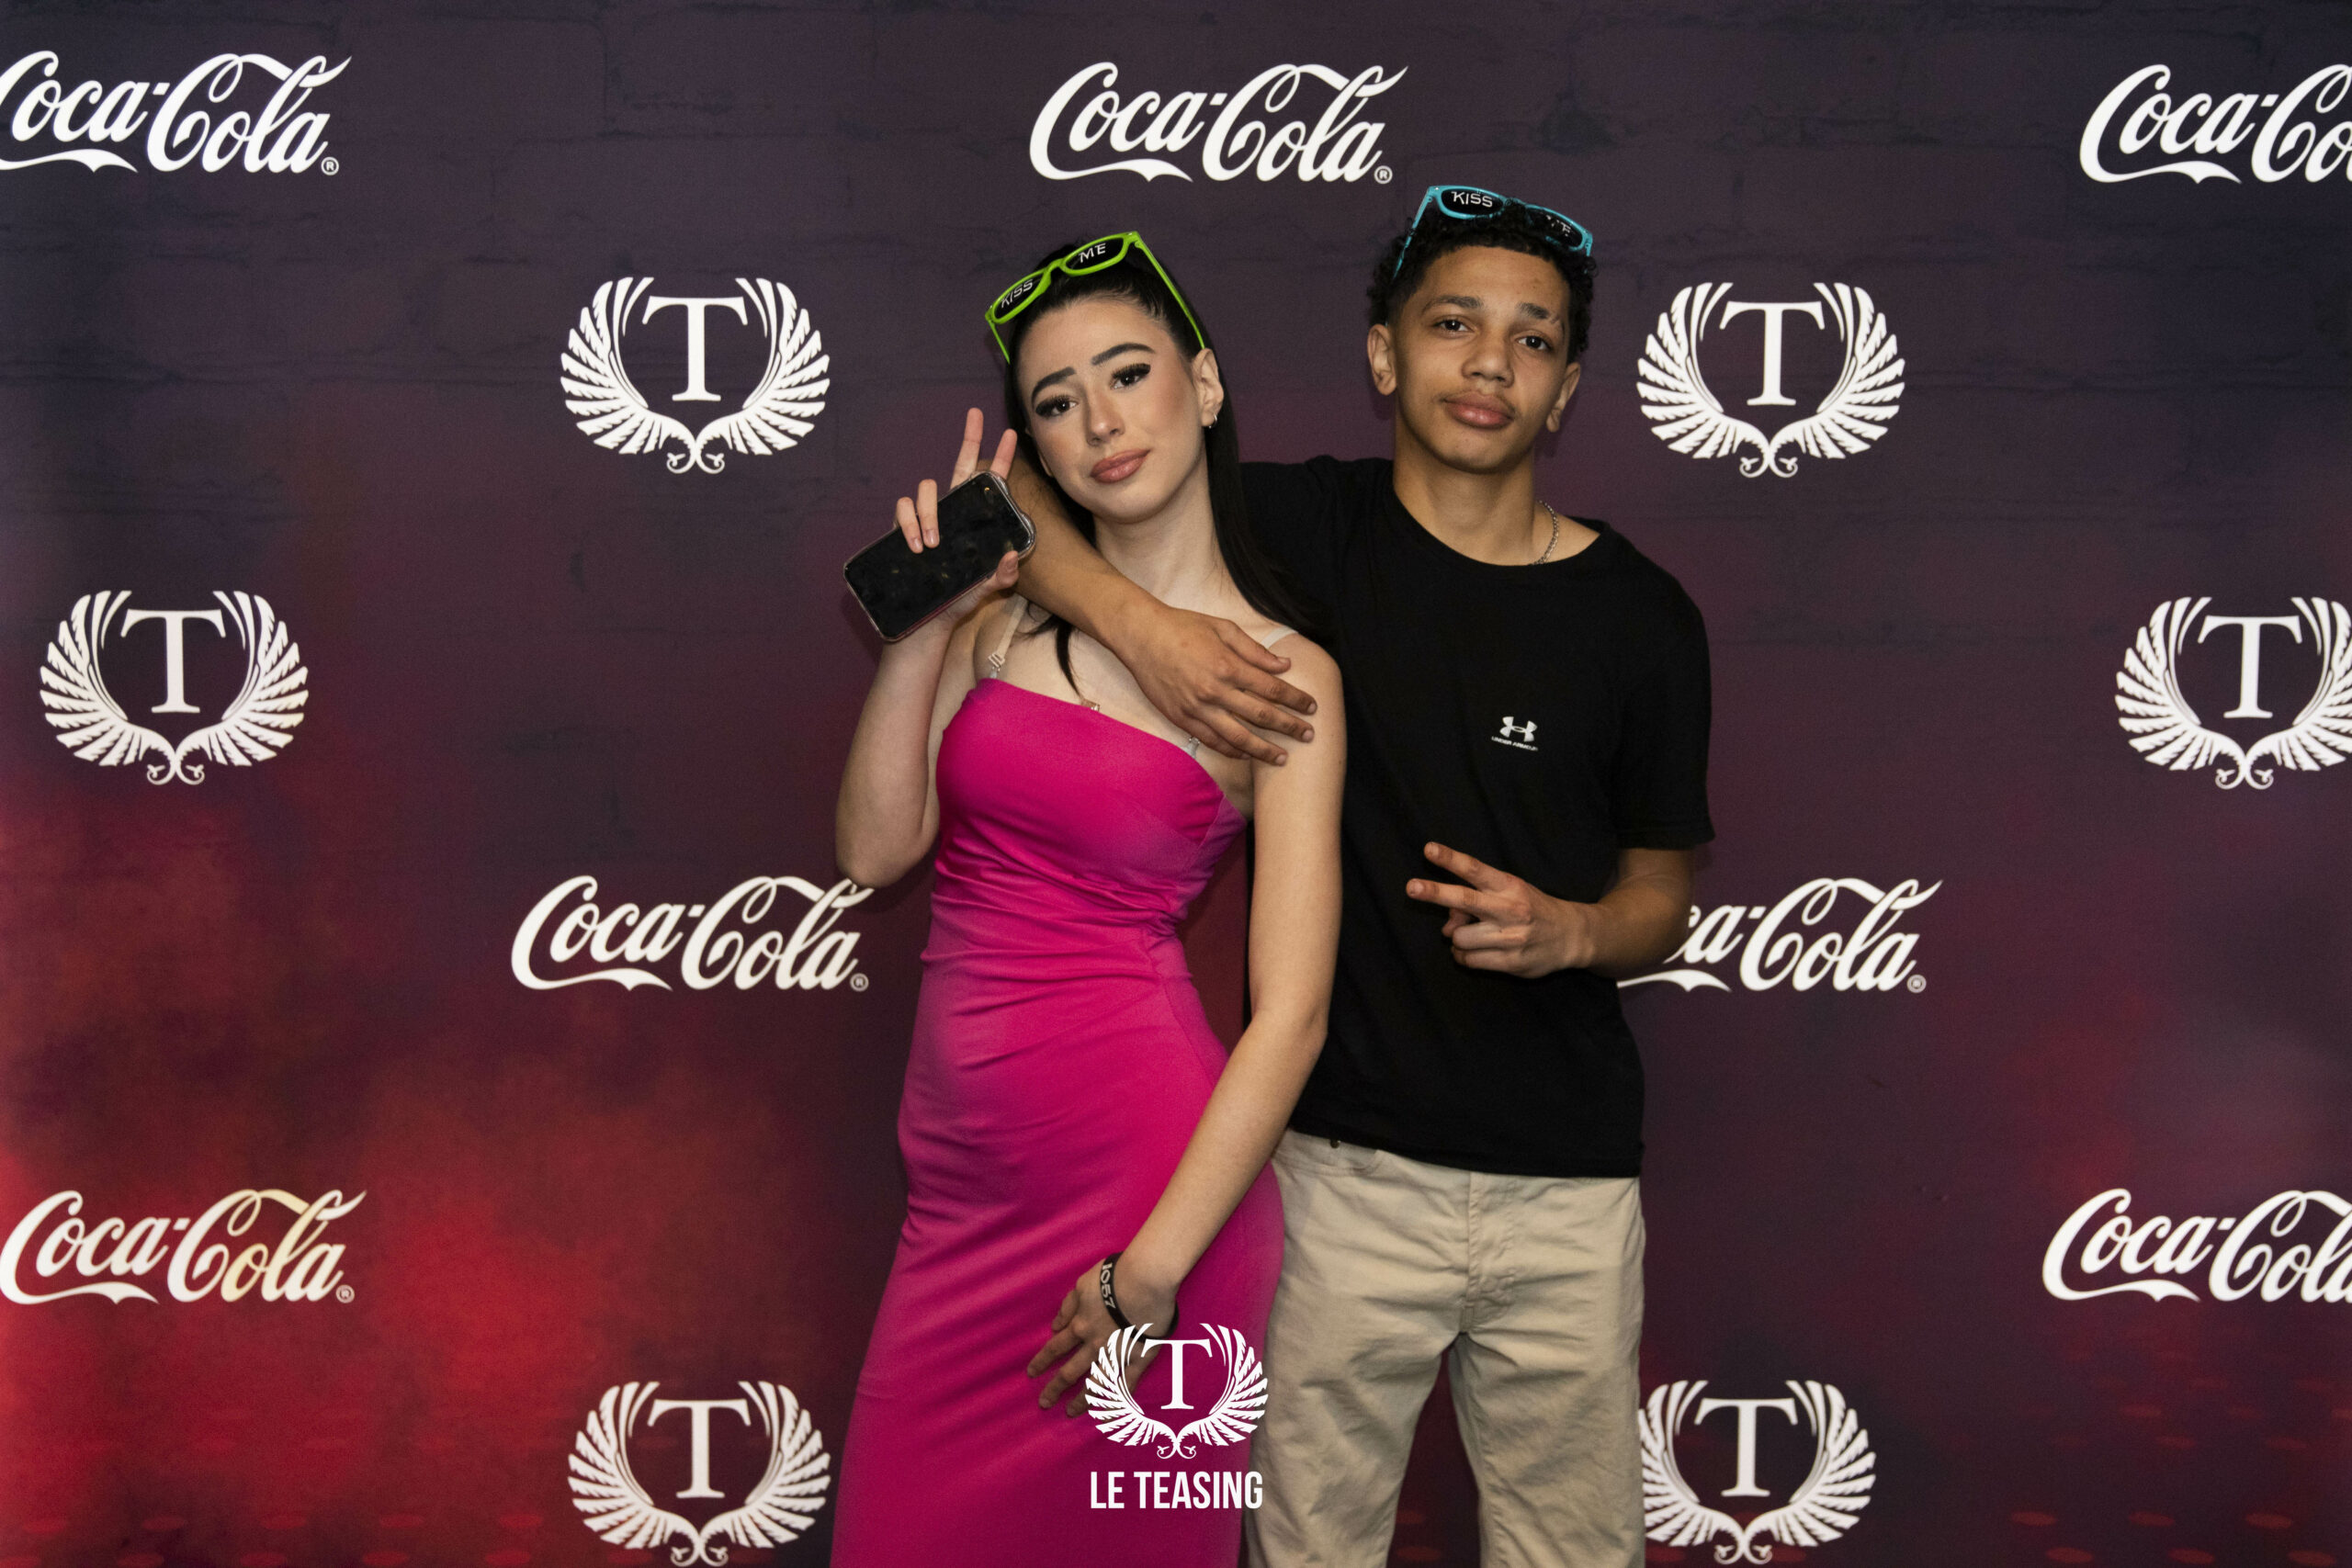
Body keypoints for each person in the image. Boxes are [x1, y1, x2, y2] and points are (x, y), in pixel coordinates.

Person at [1001, 189, 1715, 1567]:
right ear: (1385, 354)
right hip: (1337, 1177)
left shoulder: (1644, 618)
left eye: (1532, 339)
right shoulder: (1297, 530)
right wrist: (1147, 630)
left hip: (1567, 1187)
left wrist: (1573, 932)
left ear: (1568, 385)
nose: (1489, 363)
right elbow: (1024, 498)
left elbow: (1660, 896)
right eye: (1453, 325)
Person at [828, 232, 1346, 1568]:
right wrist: (924, 631)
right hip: (956, 1215)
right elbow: (875, 852)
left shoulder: (1281, 673)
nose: (1102, 422)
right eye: (1058, 402)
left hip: (1144, 1216)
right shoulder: (1002, 626)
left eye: (1129, 374)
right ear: (1040, 454)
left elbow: (1291, 1014)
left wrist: (1151, 1270)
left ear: (1205, 386)